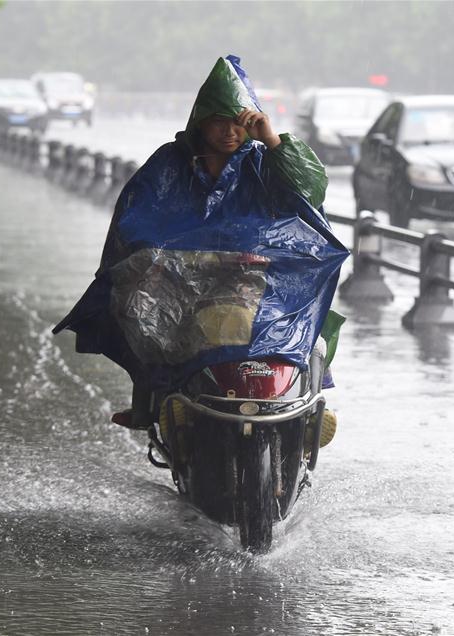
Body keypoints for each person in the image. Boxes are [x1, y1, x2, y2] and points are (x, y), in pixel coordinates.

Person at [53, 55, 346, 433]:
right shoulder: (169, 163)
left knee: (303, 324)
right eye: (219, 121)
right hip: (183, 281)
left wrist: (272, 140)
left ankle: (307, 405)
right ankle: (155, 402)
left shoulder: (265, 163)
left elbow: (310, 189)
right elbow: (135, 218)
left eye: (238, 122)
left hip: (261, 280)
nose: (229, 132)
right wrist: (157, 257)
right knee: (142, 319)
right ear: (200, 121)